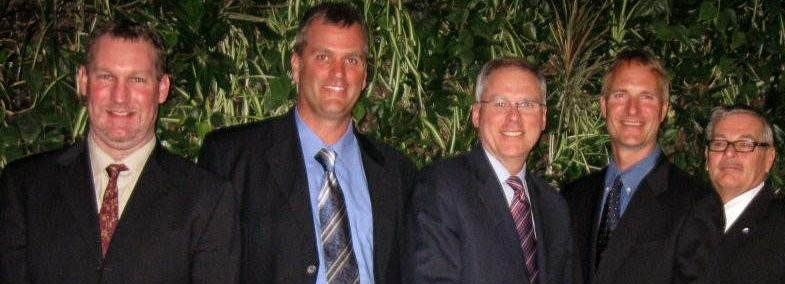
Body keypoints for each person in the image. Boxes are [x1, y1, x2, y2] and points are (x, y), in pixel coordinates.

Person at [0, 20, 239, 283]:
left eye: (137, 80)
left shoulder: (206, 199)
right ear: (83, 81)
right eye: (106, 77)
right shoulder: (24, 186)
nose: (120, 97)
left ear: (162, 89)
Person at [198, 3, 416, 284]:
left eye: (352, 60)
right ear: (296, 66)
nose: (338, 73)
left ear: (364, 76)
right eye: (323, 57)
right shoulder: (232, 158)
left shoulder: (398, 174)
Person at [407, 58, 576, 284]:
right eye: (500, 103)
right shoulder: (442, 187)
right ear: (477, 114)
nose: (514, 117)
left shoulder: (554, 206)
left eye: (527, 104)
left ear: (543, 118)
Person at [562, 50, 721, 284]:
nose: (632, 109)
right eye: (620, 95)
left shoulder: (694, 203)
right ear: (604, 106)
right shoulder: (572, 198)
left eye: (646, 97)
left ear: (664, 110)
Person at [704, 105, 785, 283]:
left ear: (769, 158)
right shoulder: (684, 220)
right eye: (719, 144)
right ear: (706, 157)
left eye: (745, 144)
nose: (729, 153)